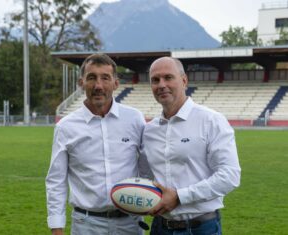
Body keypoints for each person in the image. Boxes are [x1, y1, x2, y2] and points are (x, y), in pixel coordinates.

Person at [46, 53, 147, 235]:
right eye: (91, 78)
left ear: (116, 83)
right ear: (81, 83)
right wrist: (56, 228)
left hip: (130, 224)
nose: (98, 86)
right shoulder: (66, 127)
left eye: (105, 78)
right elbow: (56, 180)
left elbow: (148, 166)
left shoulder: (134, 119)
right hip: (86, 224)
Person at [142, 57, 241, 235]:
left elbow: (230, 175)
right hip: (160, 227)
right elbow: (145, 176)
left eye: (168, 77)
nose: (161, 84)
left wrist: (180, 196)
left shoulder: (211, 120)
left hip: (201, 228)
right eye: (155, 80)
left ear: (184, 80)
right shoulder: (149, 131)